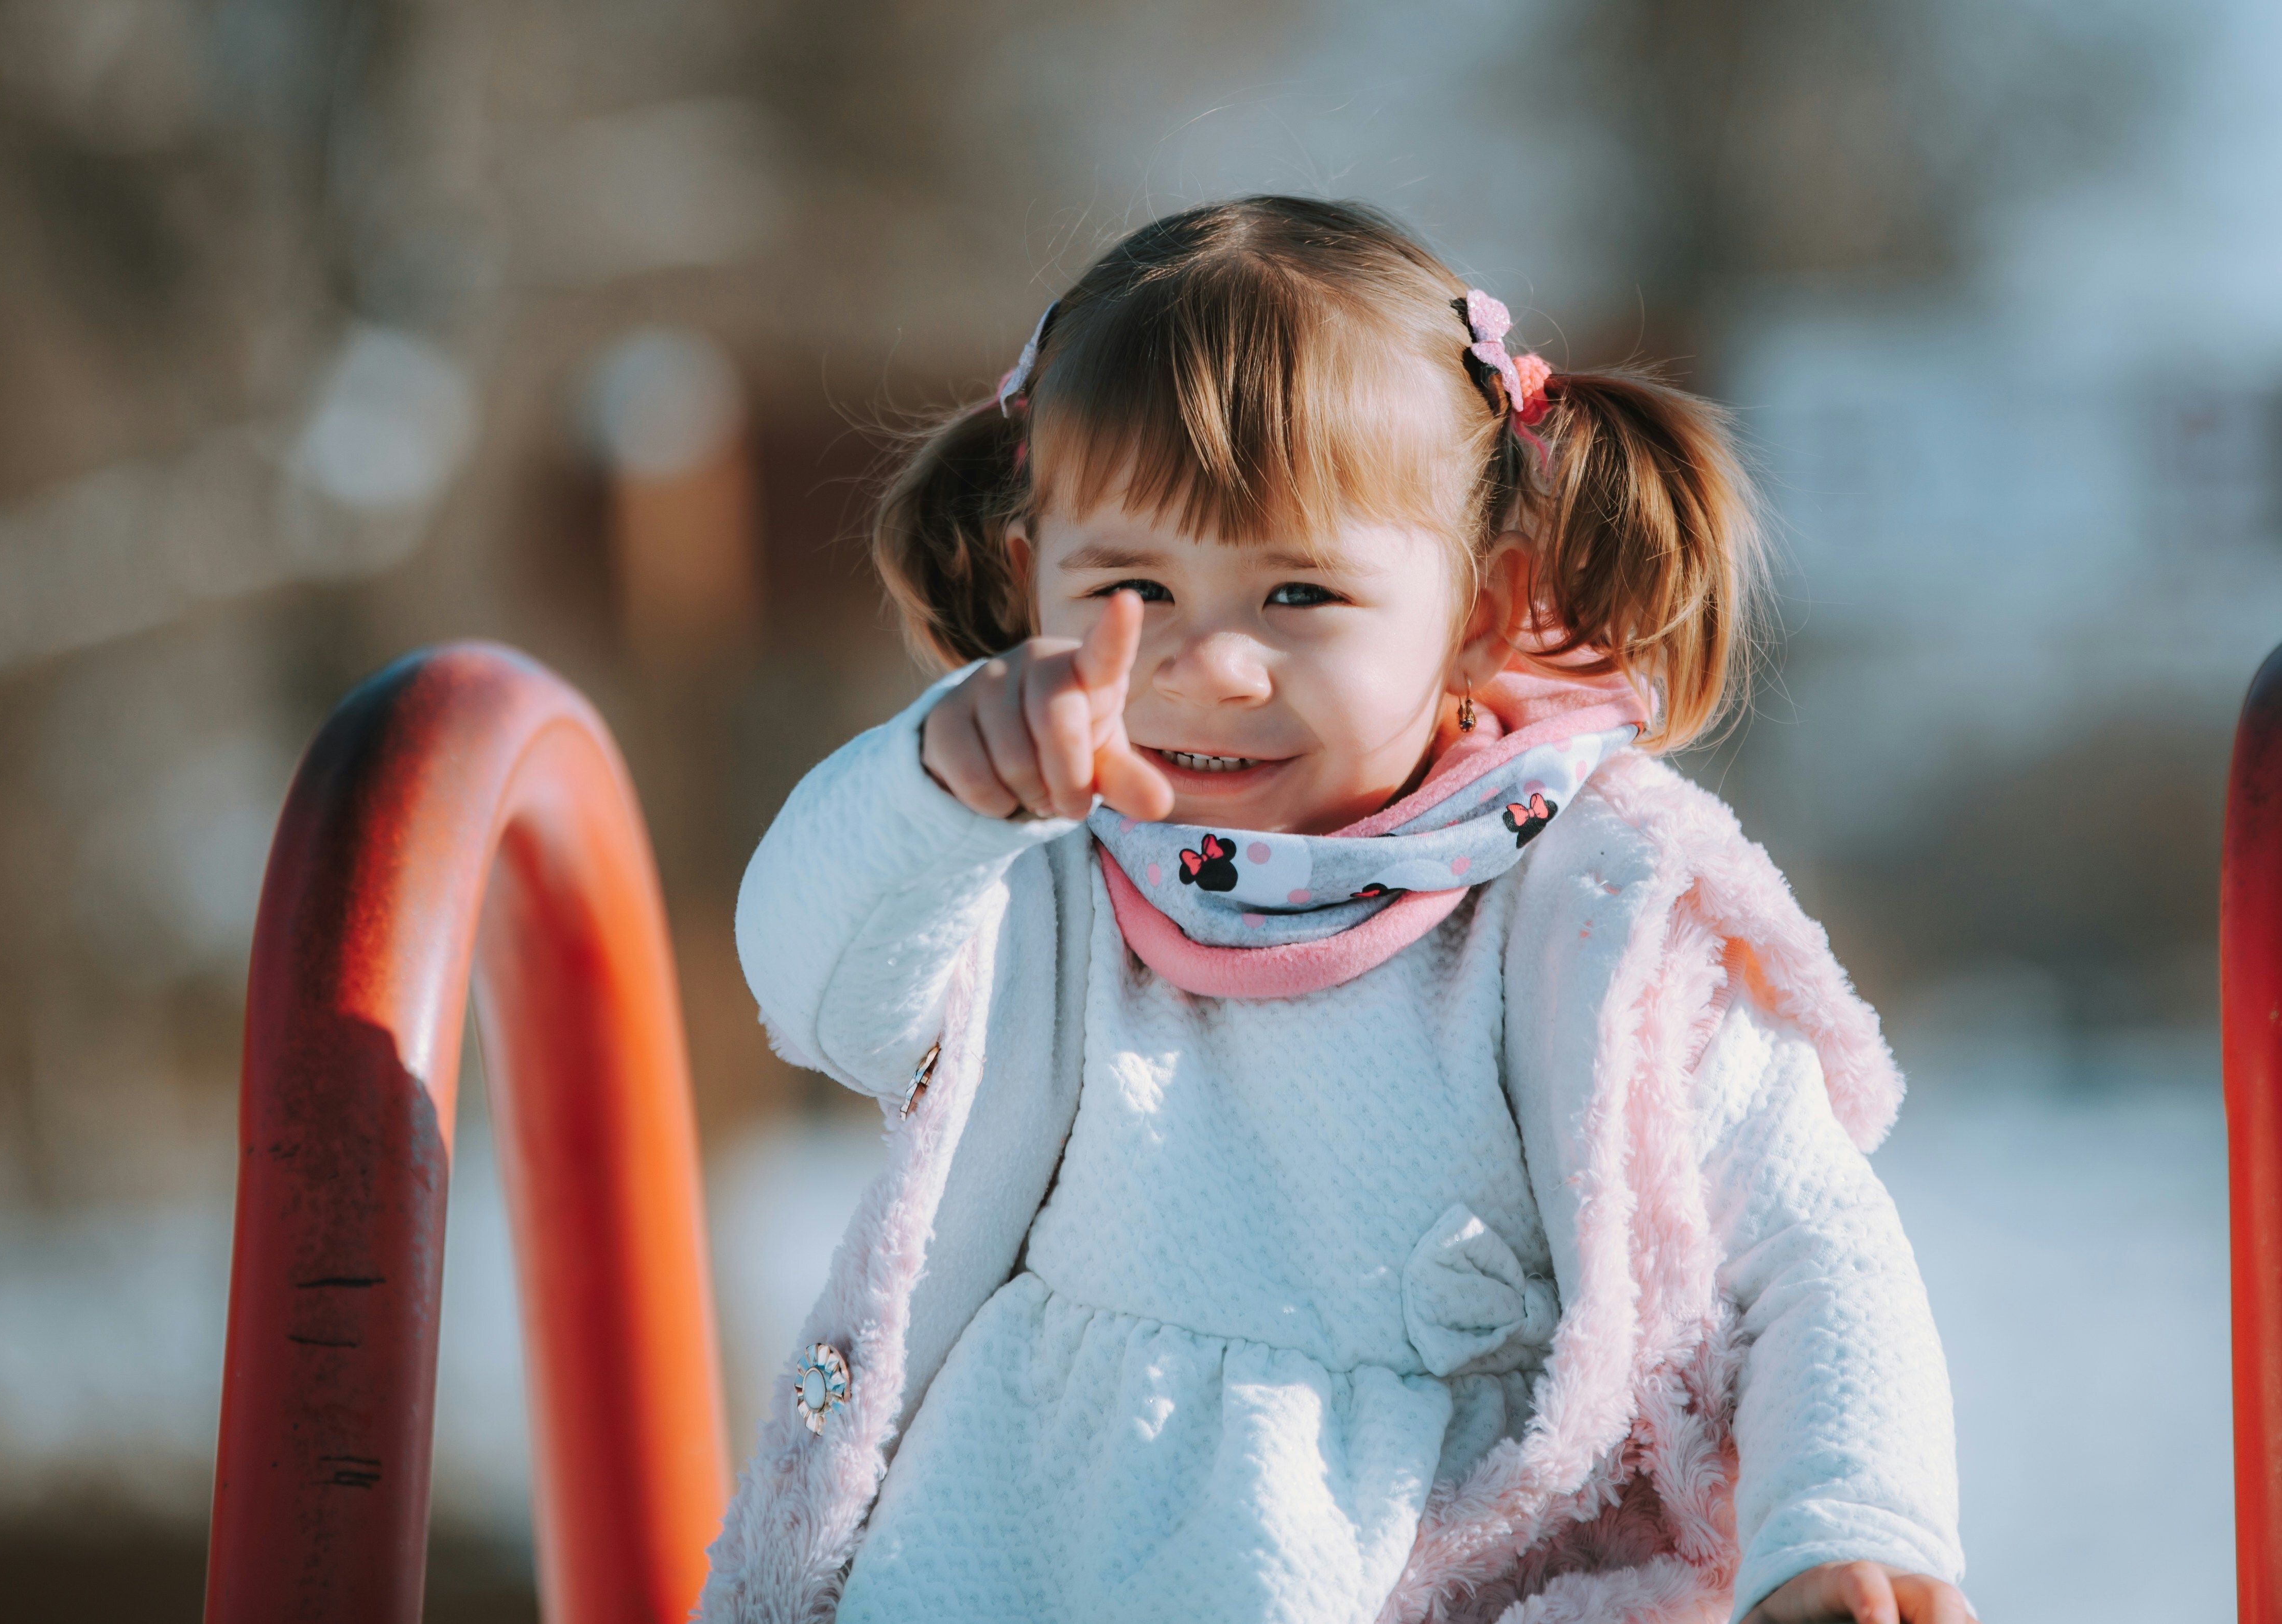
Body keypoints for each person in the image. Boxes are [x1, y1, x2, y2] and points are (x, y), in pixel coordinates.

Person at [699, 197, 1969, 1624]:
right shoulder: (1033, 876)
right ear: (1027, 583)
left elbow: (1806, 1242)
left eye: (1297, 590)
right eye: (1129, 585)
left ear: (1479, 614)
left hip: (1442, 1566)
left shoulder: (1584, 909)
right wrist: (939, 780)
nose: (1211, 666)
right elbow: (812, 989)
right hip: (1029, 1543)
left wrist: (1842, 1520)